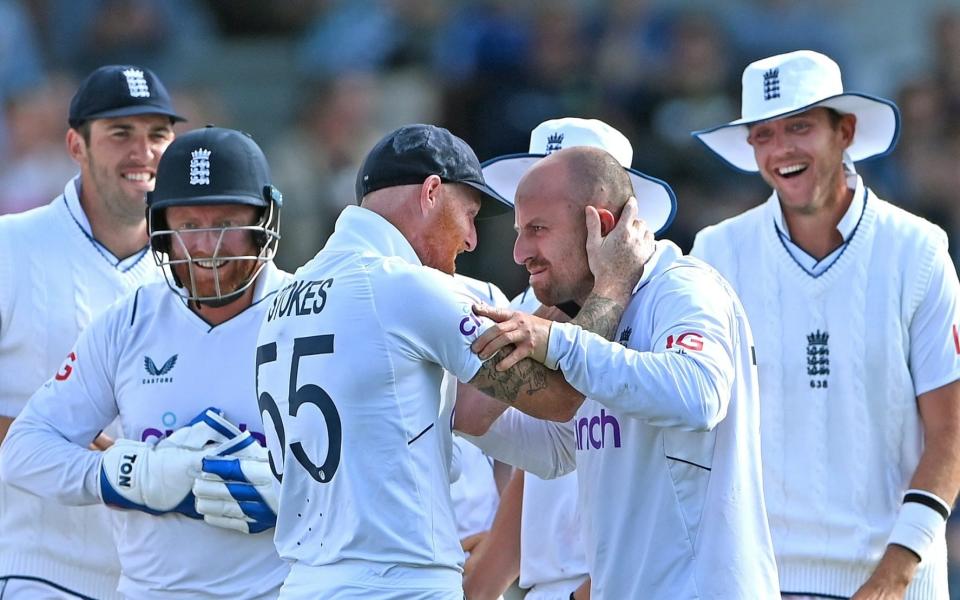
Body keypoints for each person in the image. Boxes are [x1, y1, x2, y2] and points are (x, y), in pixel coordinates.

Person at [253, 123, 642, 599]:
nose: (472, 240)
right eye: (470, 213)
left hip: (305, 581)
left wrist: (548, 304)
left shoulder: (283, 297)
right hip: (398, 582)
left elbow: (473, 410)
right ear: (432, 192)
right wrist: (610, 284)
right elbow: (557, 397)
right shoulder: (404, 286)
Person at [690, 49, 960, 599]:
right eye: (763, 134)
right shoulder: (716, 253)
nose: (782, 149)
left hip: (899, 584)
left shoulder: (920, 251)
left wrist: (894, 577)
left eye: (800, 127)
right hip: (754, 582)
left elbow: (951, 433)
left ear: (847, 132)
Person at [458, 144, 780, 598]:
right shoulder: (582, 317)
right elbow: (557, 450)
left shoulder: (684, 286)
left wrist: (558, 342)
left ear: (601, 225)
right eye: (519, 231)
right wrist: (463, 401)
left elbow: (700, 396)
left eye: (537, 229)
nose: (519, 252)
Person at [0, 126, 291, 598]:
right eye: (189, 225)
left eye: (224, 223)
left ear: (264, 220)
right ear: (162, 230)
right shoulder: (130, 321)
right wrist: (129, 476)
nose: (206, 247)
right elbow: (25, 452)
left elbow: (387, 461)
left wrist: (299, 492)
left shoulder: (310, 315)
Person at [462, 117, 678, 600]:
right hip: (552, 585)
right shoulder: (525, 307)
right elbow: (495, 429)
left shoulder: (668, 304)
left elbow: (679, 470)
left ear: (608, 218)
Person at [0, 64, 183, 600]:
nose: (143, 152)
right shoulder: (10, 248)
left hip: (163, 579)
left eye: (158, 134)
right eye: (120, 133)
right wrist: (62, 448)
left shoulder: (195, 268)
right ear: (76, 145)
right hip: (36, 567)